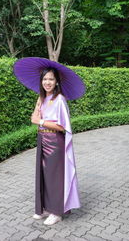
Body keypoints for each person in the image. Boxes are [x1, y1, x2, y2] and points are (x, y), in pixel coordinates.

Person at [30, 67, 81, 226]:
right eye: (45, 79)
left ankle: (57, 212)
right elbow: (34, 118)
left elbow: (63, 126)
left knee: (55, 178)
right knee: (43, 176)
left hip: (55, 142)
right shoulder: (42, 98)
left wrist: (42, 122)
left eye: (51, 79)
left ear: (56, 81)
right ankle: (45, 208)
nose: (47, 82)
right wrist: (38, 104)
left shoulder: (60, 100)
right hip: (42, 139)